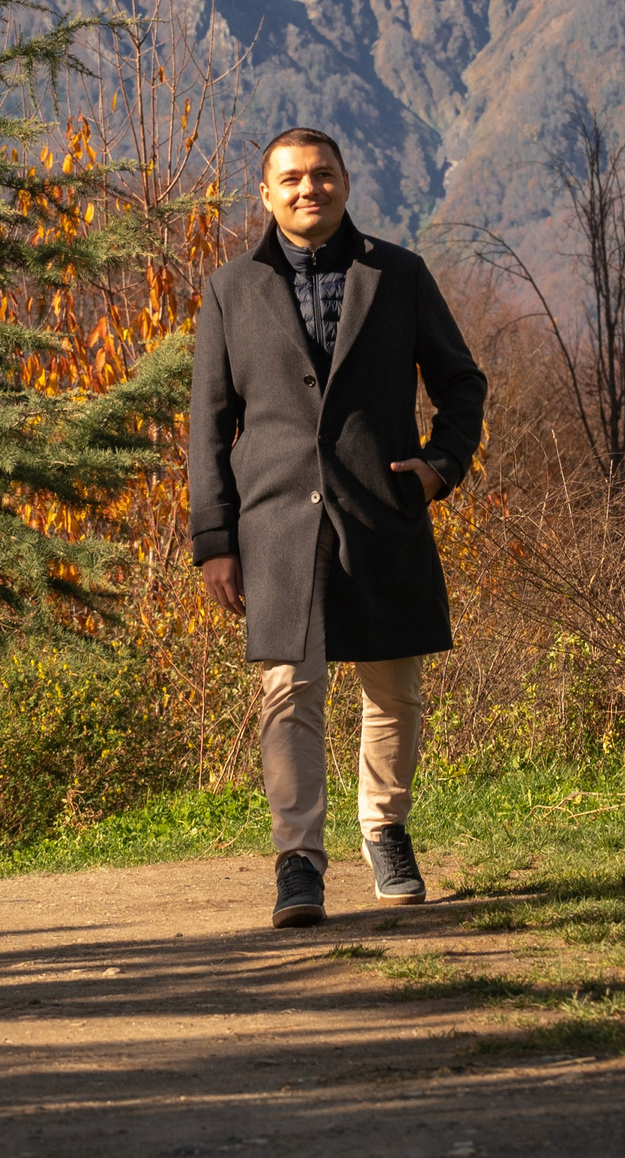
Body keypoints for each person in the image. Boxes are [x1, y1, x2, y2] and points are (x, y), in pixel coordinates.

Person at [189, 128, 487, 927]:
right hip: (275, 523)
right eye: (290, 178)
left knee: (392, 688)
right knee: (288, 690)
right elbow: (207, 429)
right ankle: (298, 860)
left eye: (322, 174)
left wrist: (439, 466)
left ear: (347, 182)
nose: (307, 188)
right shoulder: (229, 290)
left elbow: (462, 381)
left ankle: (385, 830)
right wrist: (214, 541)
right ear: (265, 194)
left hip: (382, 510)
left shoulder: (398, 275)